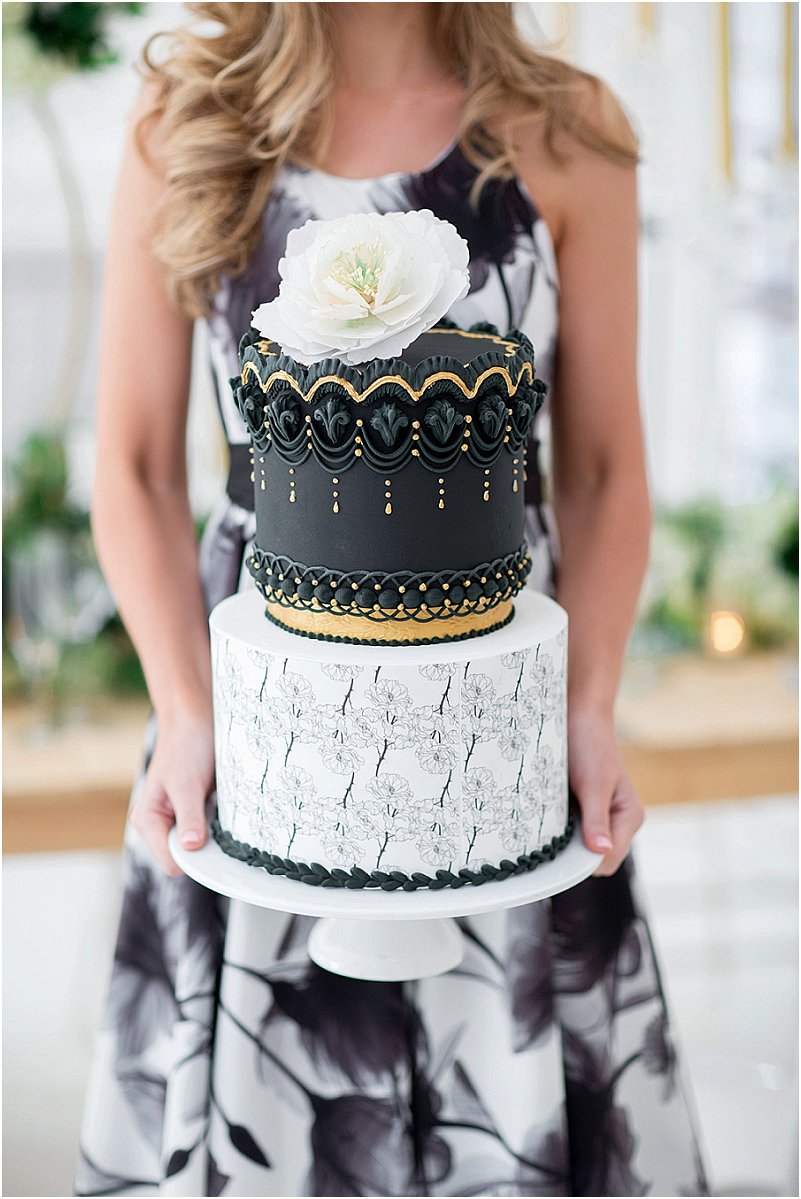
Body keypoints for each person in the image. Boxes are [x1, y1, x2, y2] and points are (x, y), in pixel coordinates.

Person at [74, 3, 709, 1195]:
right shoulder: (188, 122)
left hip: (500, 693)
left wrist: (585, 704)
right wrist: (190, 708)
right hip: (260, 695)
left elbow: (602, 470)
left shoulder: (569, 129)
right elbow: (138, 467)